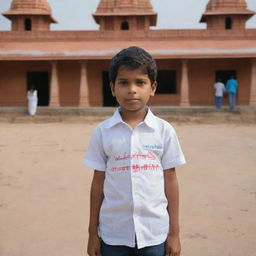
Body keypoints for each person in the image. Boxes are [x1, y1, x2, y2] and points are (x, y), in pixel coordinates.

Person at [83, 46, 186, 256]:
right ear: (112, 88)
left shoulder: (164, 131)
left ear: (153, 87)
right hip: (114, 233)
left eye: (140, 82)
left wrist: (174, 233)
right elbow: (98, 183)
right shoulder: (102, 132)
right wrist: (92, 233)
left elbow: (171, 181)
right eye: (123, 82)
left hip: (154, 233)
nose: (132, 89)